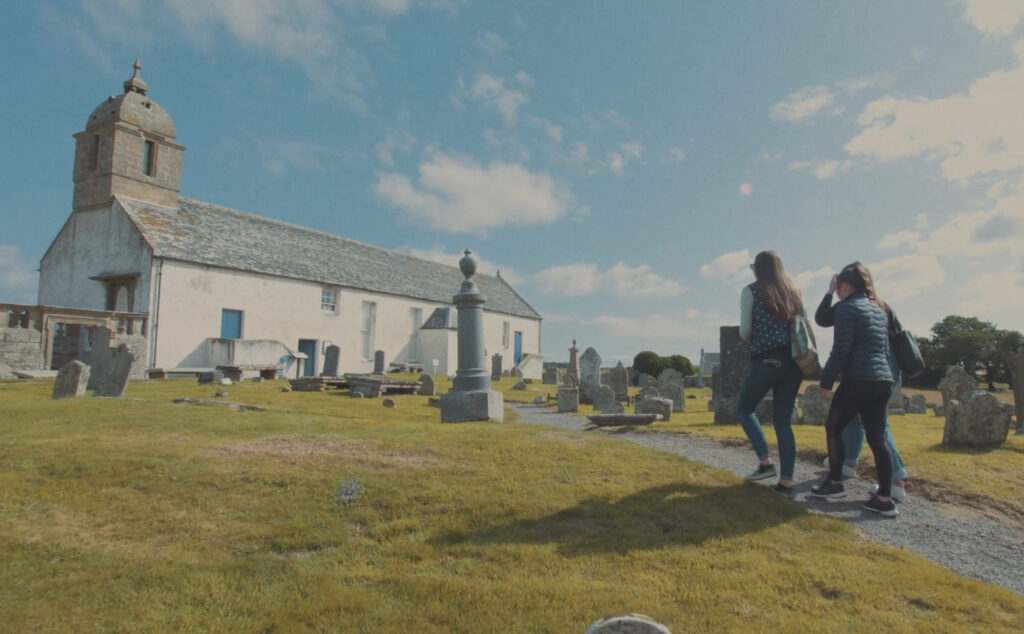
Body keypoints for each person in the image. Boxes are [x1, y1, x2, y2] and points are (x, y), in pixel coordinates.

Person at [811, 262, 898, 518]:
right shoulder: (879, 309)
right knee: (878, 439)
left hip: (858, 380)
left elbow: (842, 349)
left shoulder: (848, 308)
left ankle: (835, 483)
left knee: (834, 426)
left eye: (837, 288)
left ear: (845, 285)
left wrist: (826, 380)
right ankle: (884, 498)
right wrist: (828, 293)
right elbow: (822, 318)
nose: (836, 293)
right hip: (882, 380)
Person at [737, 250, 805, 497]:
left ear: (757, 268)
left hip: (767, 360)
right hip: (795, 363)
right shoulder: (794, 291)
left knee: (744, 409)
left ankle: (765, 463)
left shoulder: (752, 290)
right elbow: (802, 326)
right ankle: (786, 483)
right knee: (782, 421)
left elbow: (745, 331)